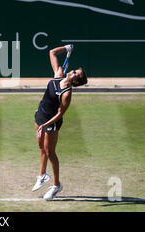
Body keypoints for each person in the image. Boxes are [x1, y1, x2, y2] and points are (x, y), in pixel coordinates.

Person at [31, 44, 88, 200]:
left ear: (76, 81)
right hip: (40, 115)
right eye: (75, 69)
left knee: (50, 152)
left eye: (76, 72)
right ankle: (42, 175)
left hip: (51, 122)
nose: (73, 70)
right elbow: (52, 52)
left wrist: (45, 125)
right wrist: (66, 47)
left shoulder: (67, 94)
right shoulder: (58, 73)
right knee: (41, 147)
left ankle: (56, 185)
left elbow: (60, 113)